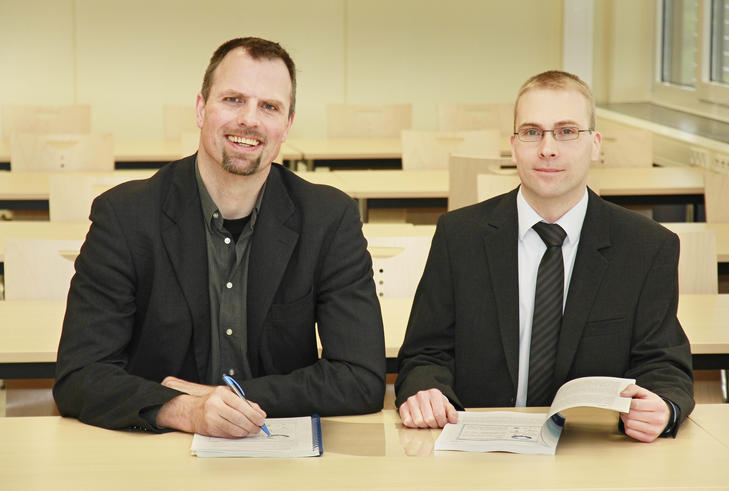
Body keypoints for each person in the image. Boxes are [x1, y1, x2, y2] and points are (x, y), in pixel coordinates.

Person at [53, 37, 385, 437]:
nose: (250, 119)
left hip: (278, 450)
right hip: (157, 454)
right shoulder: (125, 217)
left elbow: (361, 378)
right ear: (200, 108)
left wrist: (231, 397)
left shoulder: (329, 220)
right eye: (233, 100)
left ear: (288, 124)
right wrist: (184, 411)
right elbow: (80, 375)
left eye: (270, 106)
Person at [395, 70, 694, 443]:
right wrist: (426, 390)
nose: (547, 148)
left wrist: (664, 406)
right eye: (532, 132)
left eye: (567, 132)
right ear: (514, 144)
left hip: (591, 450)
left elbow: (664, 363)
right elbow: (423, 353)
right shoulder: (460, 236)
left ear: (595, 144)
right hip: (480, 448)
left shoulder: (646, 246)